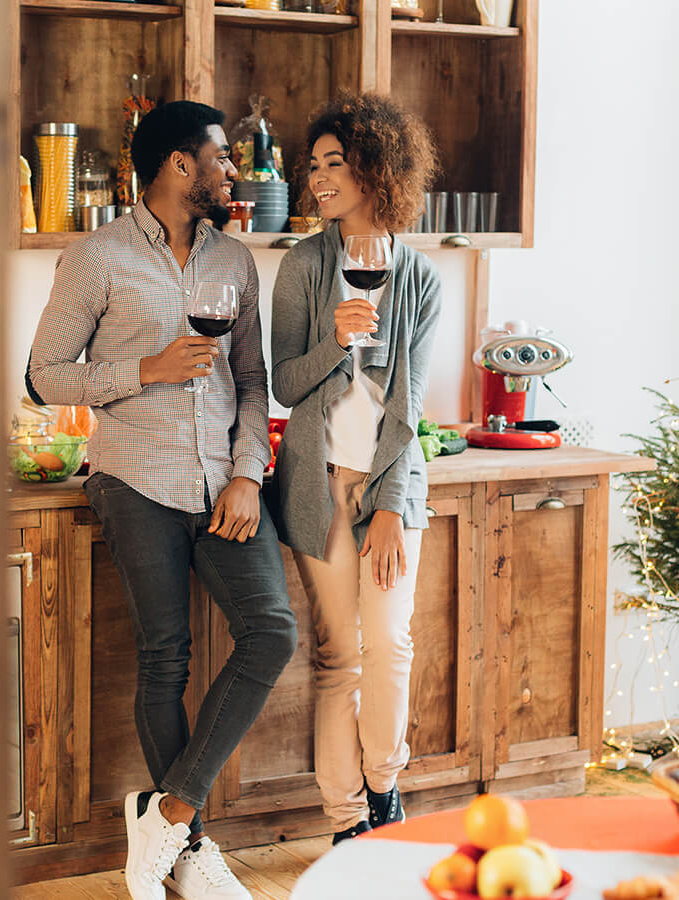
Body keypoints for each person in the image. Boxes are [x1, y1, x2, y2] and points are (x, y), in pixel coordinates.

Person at [28, 100, 297, 900]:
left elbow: (252, 383)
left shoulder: (234, 262)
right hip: (136, 477)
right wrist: (144, 370)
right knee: (164, 656)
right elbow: (44, 375)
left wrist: (249, 473)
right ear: (180, 166)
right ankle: (194, 854)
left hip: (224, 481)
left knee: (270, 632)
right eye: (221, 158)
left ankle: (168, 813)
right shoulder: (96, 257)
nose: (232, 171)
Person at [269, 93, 441, 845]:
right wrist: (334, 344)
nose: (318, 180)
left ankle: (385, 788)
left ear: (379, 168)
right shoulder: (304, 265)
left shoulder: (421, 280)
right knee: (339, 655)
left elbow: (411, 407)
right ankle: (347, 825)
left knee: (392, 645)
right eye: (313, 167)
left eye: (334, 164)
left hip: (389, 488)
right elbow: (283, 382)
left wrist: (394, 508)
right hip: (317, 486)